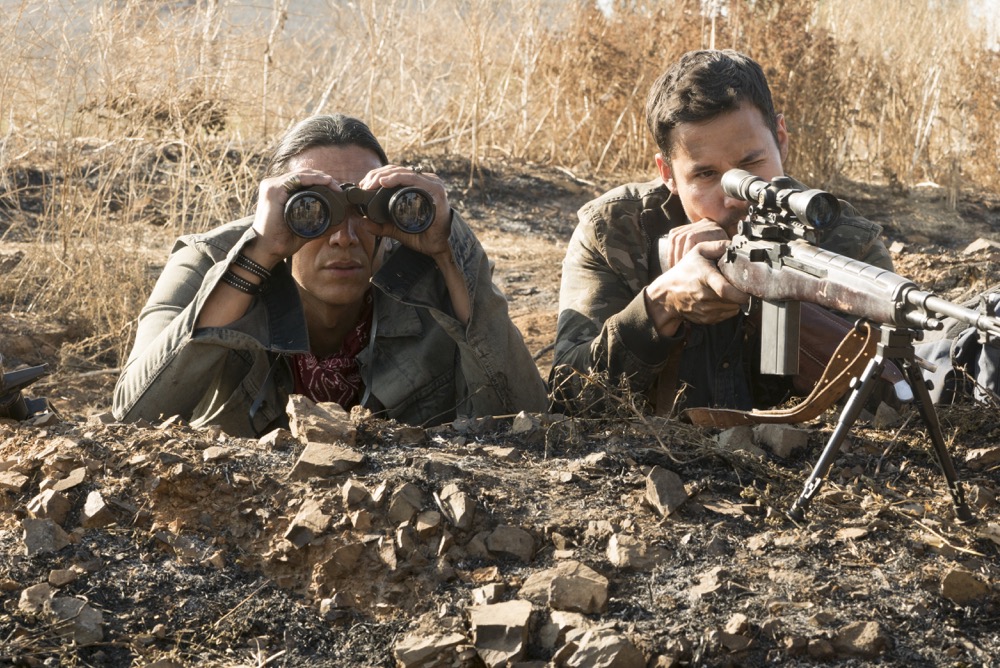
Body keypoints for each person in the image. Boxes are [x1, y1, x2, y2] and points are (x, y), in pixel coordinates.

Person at [114, 114, 548, 437]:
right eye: (313, 210)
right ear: (274, 211)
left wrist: (450, 247)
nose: (344, 237)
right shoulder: (207, 261)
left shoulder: (431, 267)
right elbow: (132, 417)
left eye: (362, 209)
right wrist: (257, 255)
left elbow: (527, 419)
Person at [550, 49, 894, 415]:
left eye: (751, 163)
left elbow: (898, 400)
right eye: (706, 175)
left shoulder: (845, 239)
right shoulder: (614, 231)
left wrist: (786, 305)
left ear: (781, 138)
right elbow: (566, 398)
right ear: (667, 173)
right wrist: (660, 306)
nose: (736, 199)